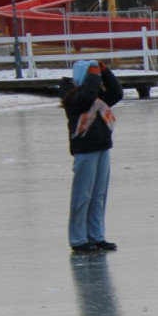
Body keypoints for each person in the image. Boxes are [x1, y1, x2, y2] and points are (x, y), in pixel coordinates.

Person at [61, 59, 123, 253]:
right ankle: (78, 238)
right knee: (82, 196)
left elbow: (117, 93)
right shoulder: (73, 98)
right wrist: (94, 75)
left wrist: (105, 71)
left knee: (99, 195)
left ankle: (96, 235)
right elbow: (87, 94)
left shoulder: (99, 99)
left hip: (102, 148)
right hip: (85, 151)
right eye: (90, 74)